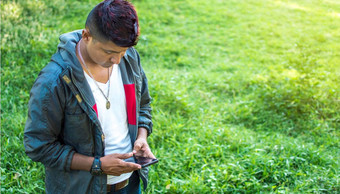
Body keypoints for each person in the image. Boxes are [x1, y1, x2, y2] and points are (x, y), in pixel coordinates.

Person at [24, 0, 155, 193]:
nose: (117, 60)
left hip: (130, 184)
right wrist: (98, 165)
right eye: (109, 52)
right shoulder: (55, 81)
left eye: (123, 52)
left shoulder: (129, 58)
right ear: (86, 36)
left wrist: (141, 136)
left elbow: (143, 105)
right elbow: (39, 146)